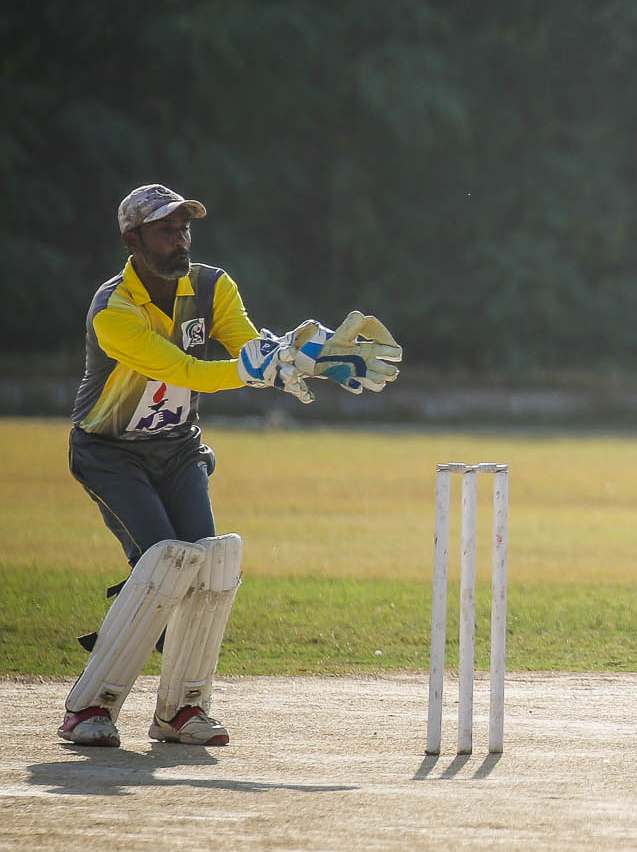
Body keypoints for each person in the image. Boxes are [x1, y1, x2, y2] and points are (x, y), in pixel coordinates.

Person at [60, 183, 402, 748]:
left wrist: (309, 359)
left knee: (210, 569)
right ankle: (89, 709)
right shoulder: (114, 310)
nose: (180, 240)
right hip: (111, 452)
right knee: (163, 565)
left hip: (178, 448)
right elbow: (185, 371)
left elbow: (251, 348)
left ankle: (181, 712)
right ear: (132, 240)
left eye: (184, 228)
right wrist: (255, 368)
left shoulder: (212, 285)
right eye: (166, 231)